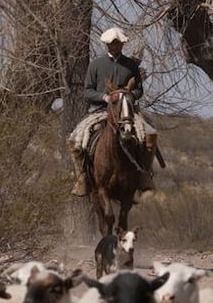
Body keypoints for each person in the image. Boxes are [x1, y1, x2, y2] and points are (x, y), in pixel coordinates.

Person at [67, 26, 158, 197]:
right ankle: (82, 177)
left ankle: (145, 174)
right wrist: (104, 97)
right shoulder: (96, 65)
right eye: (112, 44)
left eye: (118, 44)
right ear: (107, 45)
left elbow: (139, 89)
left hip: (126, 111)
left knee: (151, 134)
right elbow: (87, 91)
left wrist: (129, 95)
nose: (116, 47)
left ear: (122, 45)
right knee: (75, 140)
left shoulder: (131, 65)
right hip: (100, 111)